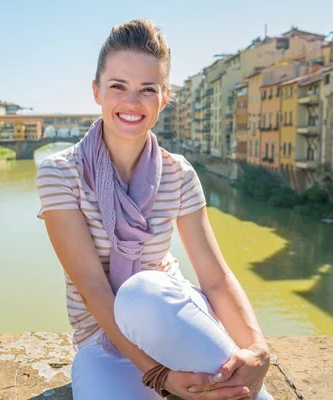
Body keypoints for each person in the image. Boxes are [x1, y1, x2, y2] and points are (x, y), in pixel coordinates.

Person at [36, 19, 273, 400]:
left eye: (147, 90)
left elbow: (213, 277)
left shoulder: (178, 173)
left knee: (144, 292)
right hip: (102, 340)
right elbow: (94, 288)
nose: (132, 103)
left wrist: (259, 349)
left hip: (171, 321)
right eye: (118, 87)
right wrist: (159, 375)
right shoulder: (60, 174)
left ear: (164, 98)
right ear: (97, 92)